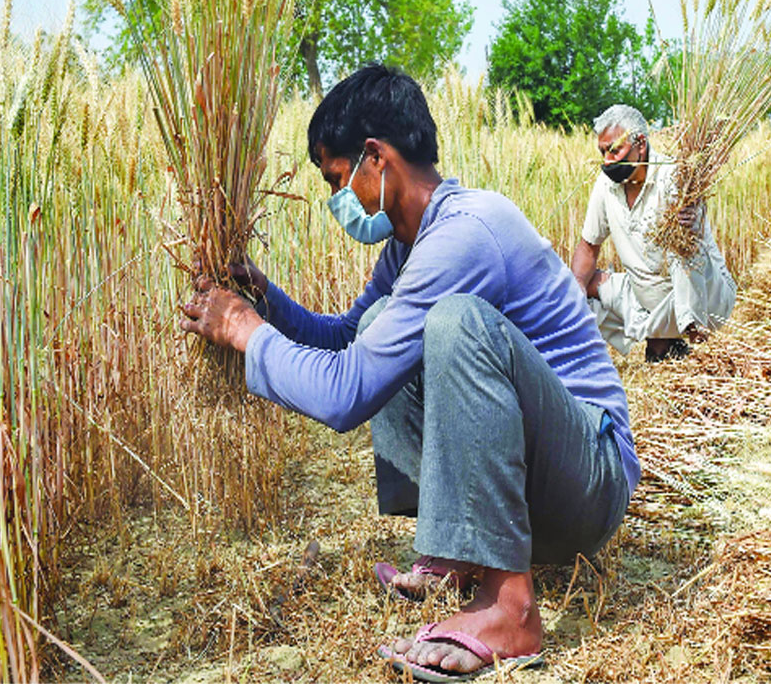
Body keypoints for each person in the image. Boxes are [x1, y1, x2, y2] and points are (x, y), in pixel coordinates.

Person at [180, 65, 638, 680]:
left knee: (454, 323)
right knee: (384, 326)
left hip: (588, 483)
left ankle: (510, 610)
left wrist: (246, 332)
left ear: (376, 157)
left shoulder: (466, 233)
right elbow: (350, 340)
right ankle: (459, 552)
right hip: (539, 497)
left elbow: (347, 392)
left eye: (337, 180)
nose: (339, 202)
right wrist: (264, 300)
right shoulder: (409, 244)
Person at [571, 105, 736, 362]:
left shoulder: (675, 177)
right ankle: (663, 340)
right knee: (577, 284)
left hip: (707, 299)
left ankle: (699, 349)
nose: (607, 161)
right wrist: (577, 288)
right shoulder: (606, 185)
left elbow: (691, 247)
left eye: (614, 150)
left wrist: (691, 220)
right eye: (603, 152)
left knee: (683, 246)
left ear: (640, 143)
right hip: (647, 298)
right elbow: (588, 247)